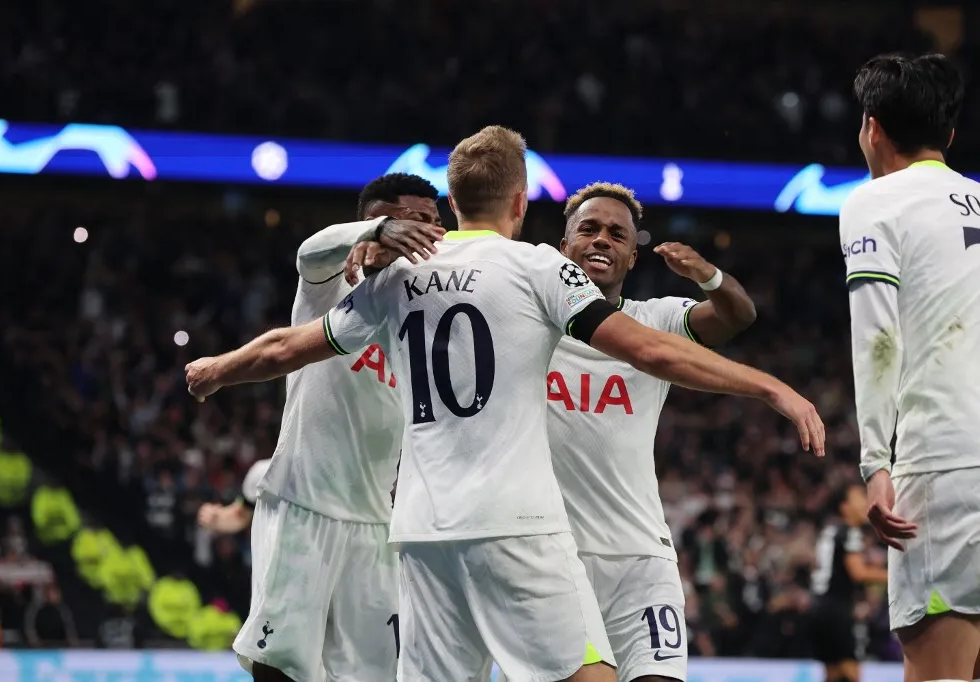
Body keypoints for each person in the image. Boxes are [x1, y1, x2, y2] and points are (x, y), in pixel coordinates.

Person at [186, 125, 825, 682]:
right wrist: (769, 385)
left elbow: (286, 349)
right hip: (516, 526)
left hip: (420, 533)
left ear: (452, 203)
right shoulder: (538, 268)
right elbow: (651, 352)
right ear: (521, 202)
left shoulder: (397, 279)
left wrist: (217, 369)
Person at [226, 173, 445, 682]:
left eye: (438, 223)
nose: (433, 233)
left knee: (375, 673)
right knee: (279, 663)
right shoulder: (332, 283)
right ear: (376, 221)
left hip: (375, 524)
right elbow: (309, 251)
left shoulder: (422, 310)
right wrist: (376, 233)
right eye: (419, 221)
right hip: (303, 505)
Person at [542, 182, 756, 682]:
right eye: (589, 229)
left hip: (642, 560)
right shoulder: (530, 323)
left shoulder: (654, 320)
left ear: (632, 258)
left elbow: (738, 316)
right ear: (562, 248)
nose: (602, 241)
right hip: (553, 562)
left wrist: (709, 275)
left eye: (618, 234)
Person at [841, 52, 980, 682]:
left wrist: (876, 463)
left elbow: (877, 340)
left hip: (947, 465)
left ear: (872, 127)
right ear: (948, 136)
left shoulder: (875, 202)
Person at [808, 483, 887, 682]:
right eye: (859, 498)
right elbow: (858, 573)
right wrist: (894, 575)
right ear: (844, 507)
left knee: (832, 675)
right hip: (838, 610)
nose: (864, 503)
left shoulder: (830, 531)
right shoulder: (850, 532)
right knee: (852, 673)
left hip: (818, 607)